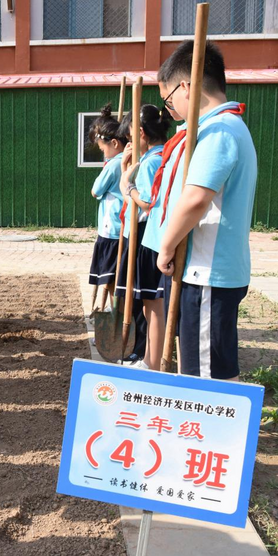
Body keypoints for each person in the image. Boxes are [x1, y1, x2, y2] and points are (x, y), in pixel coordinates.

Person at [156, 40, 257, 381]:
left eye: (169, 100)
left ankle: (218, 419)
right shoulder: (224, 127)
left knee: (206, 377)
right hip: (208, 272)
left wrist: (166, 246)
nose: (170, 109)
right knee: (205, 368)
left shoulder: (219, 131)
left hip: (206, 272)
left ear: (186, 87)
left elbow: (196, 199)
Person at [115, 105, 172, 370]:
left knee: (152, 305)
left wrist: (129, 187)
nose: (129, 142)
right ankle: (150, 359)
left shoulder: (151, 162)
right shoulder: (165, 155)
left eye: (129, 136)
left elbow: (148, 202)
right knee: (151, 305)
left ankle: (152, 362)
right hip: (152, 235)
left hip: (148, 238)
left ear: (140, 133)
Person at [88, 104, 128, 297]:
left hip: (111, 226)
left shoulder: (113, 165)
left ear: (114, 143)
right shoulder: (128, 159)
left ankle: (116, 308)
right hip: (123, 225)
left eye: (102, 148)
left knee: (109, 275)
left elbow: (95, 191)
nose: (102, 153)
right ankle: (116, 306)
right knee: (117, 272)